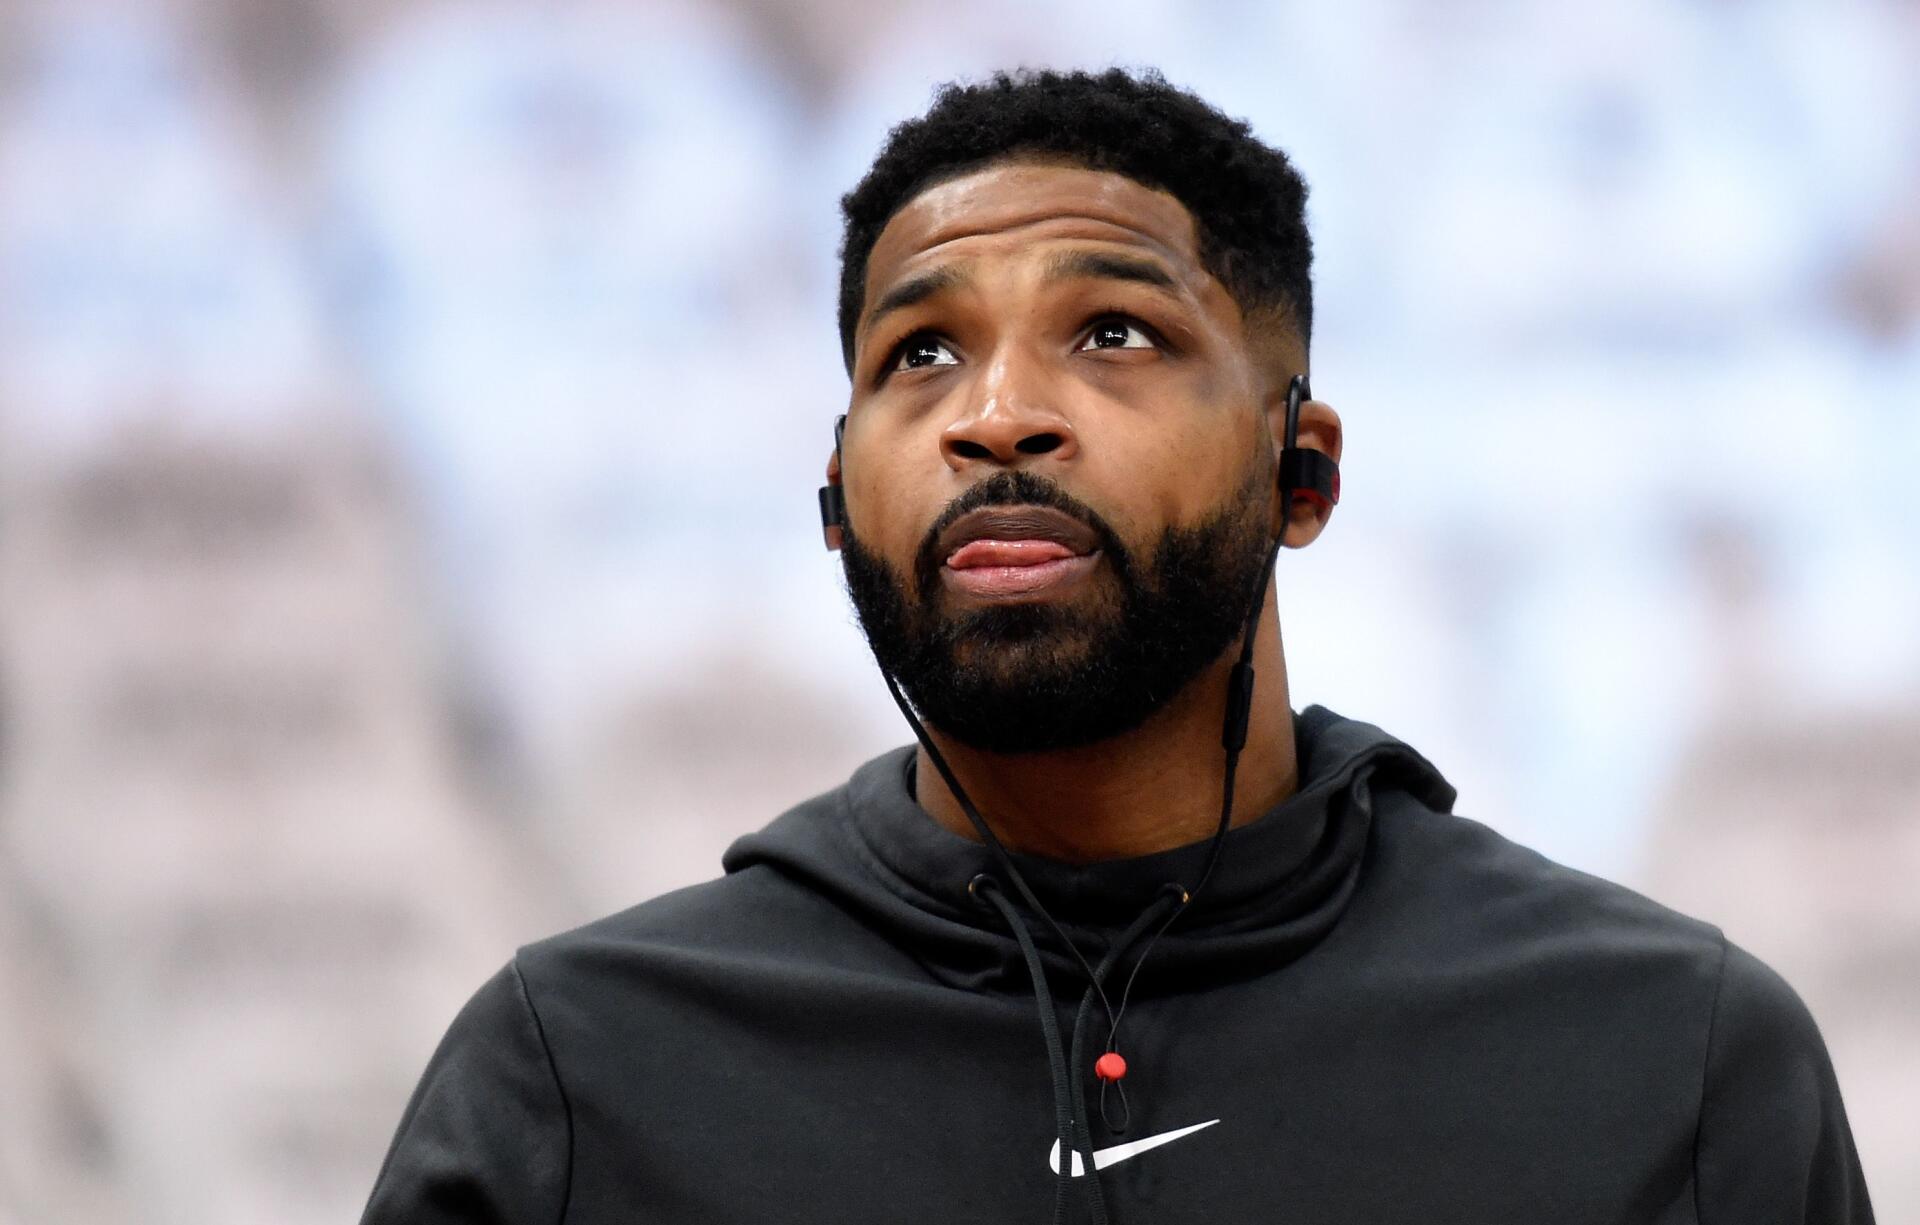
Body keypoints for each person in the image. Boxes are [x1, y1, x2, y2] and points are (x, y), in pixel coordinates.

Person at [360, 68, 1874, 1224]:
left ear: (1305, 473)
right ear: (836, 498)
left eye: (1113, 333)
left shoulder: (1666, 1055)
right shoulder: (579, 1077)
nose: (994, 410)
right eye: (919, 353)